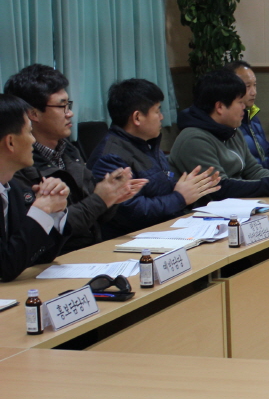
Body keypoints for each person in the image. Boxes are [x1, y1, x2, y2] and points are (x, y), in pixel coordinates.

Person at [4, 64, 145, 252]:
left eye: (68, 105)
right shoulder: (18, 163)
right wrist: (101, 199)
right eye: (62, 106)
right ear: (33, 114)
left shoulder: (69, 150)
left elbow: (94, 215)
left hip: (90, 251)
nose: (69, 113)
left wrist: (112, 196)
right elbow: (54, 228)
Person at [87, 79, 223, 238]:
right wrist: (180, 198)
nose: (162, 117)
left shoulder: (147, 144)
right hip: (130, 240)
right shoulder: (111, 157)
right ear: (137, 117)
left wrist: (193, 188)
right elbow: (131, 212)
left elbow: (163, 190)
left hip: (164, 229)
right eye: (157, 111)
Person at [169, 69, 269, 195]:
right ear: (219, 107)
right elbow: (219, 188)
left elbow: (254, 172)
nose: (244, 107)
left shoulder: (232, 131)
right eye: (240, 102)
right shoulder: (194, 139)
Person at [0, 94, 70, 281]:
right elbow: (5, 267)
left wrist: (54, 212)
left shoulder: (13, 188)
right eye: (29, 132)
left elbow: (39, 256)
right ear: (10, 142)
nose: (33, 140)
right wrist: (40, 210)